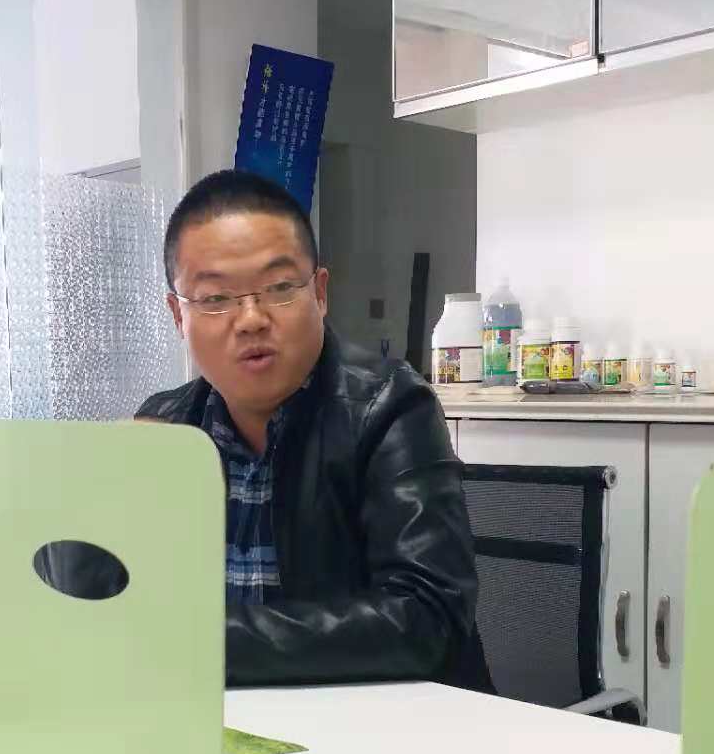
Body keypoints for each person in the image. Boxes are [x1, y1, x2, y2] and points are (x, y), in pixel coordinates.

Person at [137, 168, 489, 690]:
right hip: (211, 719)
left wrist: (202, 642)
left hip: (376, 721)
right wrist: (97, 500)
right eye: (215, 298)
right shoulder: (166, 429)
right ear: (177, 315)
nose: (251, 319)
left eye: (279, 288)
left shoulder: (389, 407)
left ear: (320, 293)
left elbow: (427, 617)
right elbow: (91, 604)